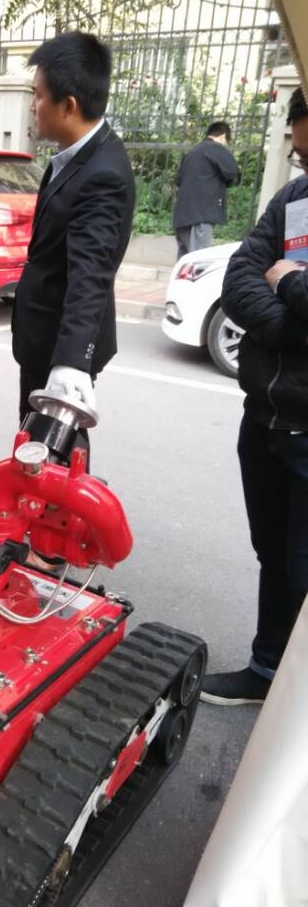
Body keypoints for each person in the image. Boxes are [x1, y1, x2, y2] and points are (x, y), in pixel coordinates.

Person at [201, 87, 308, 706]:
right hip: (264, 417)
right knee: (273, 556)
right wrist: (293, 324)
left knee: (304, 568)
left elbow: (280, 282)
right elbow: (240, 277)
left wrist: (288, 282)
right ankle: (267, 672)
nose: (300, 158)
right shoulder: (293, 200)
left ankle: (295, 706)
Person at [12, 31, 135, 422]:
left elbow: (91, 274)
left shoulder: (103, 174)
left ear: (68, 105)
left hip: (59, 349)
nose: (33, 106)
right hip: (43, 341)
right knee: (36, 444)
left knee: (51, 451)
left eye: (38, 95)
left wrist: (69, 363)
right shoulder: (75, 157)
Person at [173, 121, 241, 259]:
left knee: (184, 263)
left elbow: (178, 180)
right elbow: (233, 173)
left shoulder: (192, 152)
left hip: (182, 217)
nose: (225, 145)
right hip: (202, 215)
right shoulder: (215, 148)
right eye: (226, 141)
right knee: (198, 260)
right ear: (222, 136)